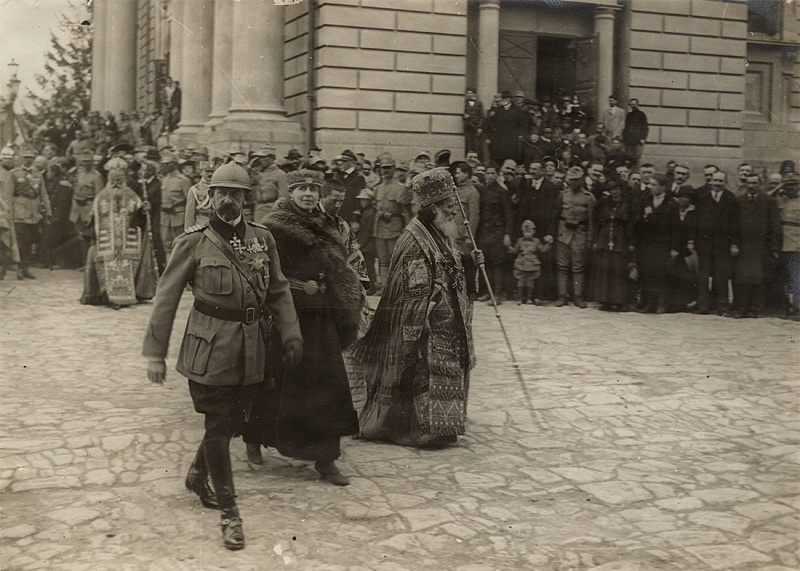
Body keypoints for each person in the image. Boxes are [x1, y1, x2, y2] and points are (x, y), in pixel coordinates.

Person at [143, 162, 302, 550]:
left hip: (252, 347)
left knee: (230, 421)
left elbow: (279, 290)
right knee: (218, 426)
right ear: (209, 197)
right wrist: (155, 353)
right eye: (221, 193)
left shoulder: (263, 239)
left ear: (247, 199)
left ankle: (198, 475)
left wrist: (292, 334)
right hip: (210, 346)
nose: (228, 200)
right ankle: (230, 514)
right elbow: (165, 298)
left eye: (236, 194)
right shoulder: (194, 241)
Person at [243, 169, 362, 486]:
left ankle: (326, 459)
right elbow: (264, 272)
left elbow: (337, 270)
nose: (308, 194)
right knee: (276, 379)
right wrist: (298, 286)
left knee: (327, 383)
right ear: (290, 192)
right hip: (288, 313)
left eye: (313, 189)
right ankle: (253, 438)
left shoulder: (326, 224)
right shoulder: (274, 226)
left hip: (320, 316)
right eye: (301, 189)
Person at [352, 168, 483, 448]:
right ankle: (423, 430)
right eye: (448, 207)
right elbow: (413, 287)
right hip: (428, 318)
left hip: (447, 318)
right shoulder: (414, 239)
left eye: (452, 206)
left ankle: (445, 426)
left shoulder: (442, 231)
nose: (453, 212)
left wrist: (471, 261)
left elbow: (452, 266)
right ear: (433, 208)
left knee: (445, 371)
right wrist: (428, 307)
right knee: (425, 374)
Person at [80, 158, 149, 308]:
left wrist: (143, 210)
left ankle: (127, 295)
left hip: (126, 240)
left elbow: (140, 216)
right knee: (106, 264)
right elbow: (94, 219)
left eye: (119, 178)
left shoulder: (132, 195)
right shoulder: (101, 197)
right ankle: (107, 295)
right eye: (114, 179)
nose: (116, 182)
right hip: (108, 241)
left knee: (126, 265)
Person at [730, 173, 782, 318]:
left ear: (760, 184)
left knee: (759, 279)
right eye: (749, 183)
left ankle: (758, 309)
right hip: (743, 245)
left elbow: (775, 226)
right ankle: (742, 309)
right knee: (742, 278)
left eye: (755, 183)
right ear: (745, 184)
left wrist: (774, 248)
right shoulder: (739, 200)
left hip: (761, 246)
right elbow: (733, 224)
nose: (752, 186)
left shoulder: (769, 201)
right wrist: (734, 244)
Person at [694, 170, 740, 315]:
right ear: (711, 181)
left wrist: (734, 243)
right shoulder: (703, 198)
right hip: (705, 243)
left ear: (725, 183)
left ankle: (722, 306)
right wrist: (696, 242)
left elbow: (735, 223)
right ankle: (704, 305)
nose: (717, 184)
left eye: (721, 181)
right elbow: (698, 222)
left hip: (723, 244)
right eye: (715, 181)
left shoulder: (731, 199)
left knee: (722, 276)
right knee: (703, 276)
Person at [592, 179, 636, 311]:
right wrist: (595, 240)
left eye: (616, 189)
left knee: (618, 268)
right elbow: (596, 222)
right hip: (605, 236)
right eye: (611, 190)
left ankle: (618, 301)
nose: (614, 192)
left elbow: (632, 224)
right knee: (605, 267)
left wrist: (631, 242)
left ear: (621, 190)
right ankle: (604, 299)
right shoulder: (603, 203)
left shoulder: (628, 204)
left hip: (622, 236)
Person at [8, 148, 51, 280]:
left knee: (32, 240)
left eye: (30, 157)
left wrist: (48, 211)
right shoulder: (14, 173)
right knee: (22, 241)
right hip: (19, 210)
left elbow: (43, 193)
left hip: (34, 211)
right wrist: (8, 212)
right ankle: (20, 268)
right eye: (26, 157)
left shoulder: (38, 174)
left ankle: (26, 267)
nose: (28, 159)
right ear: (21, 158)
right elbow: (8, 195)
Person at [555, 166, 595, 308]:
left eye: (577, 180)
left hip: (579, 234)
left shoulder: (589, 198)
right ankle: (562, 296)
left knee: (578, 267)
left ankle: (578, 296)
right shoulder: (563, 195)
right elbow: (557, 216)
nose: (574, 183)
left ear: (582, 179)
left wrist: (590, 238)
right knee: (562, 266)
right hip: (564, 233)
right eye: (572, 180)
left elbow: (591, 220)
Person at [635, 174, 676, 314]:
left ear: (663, 187)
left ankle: (661, 303)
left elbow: (677, 228)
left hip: (663, 244)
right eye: (650, 184)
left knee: (661, 273)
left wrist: (674, 248)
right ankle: (649, 303)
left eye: (654, 185)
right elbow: (639, 223)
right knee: (647, 272)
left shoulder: (672, 203)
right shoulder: (645, 200)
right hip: (647, 243)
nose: (650, 187)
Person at [776, 173, 800, 319]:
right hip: (780, 244)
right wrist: (779, 187)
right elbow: (764, 197)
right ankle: (786, 306)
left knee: (796, 277)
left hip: (796, 244)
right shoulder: (780, 200)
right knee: (783, 278)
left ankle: (798, 307)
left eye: (793, 184)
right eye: (787, 185)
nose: (790, 188)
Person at [513, 220, 551, 305]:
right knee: (521, 281)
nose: (527, 234)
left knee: (530, 282)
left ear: (534, 231)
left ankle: (529, 298)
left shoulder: (536, 241)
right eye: (525, 232)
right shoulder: (520, 241)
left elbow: (542, 249)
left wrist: (548, 244)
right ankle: (520, 298)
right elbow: (516, 250)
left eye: (529, 231)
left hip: (532, 264)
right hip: (521, 264)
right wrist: (509, 247)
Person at [184, 161, 214, 229]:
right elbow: (189, 214)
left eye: (212, 171)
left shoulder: (218, 189)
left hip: (215, 224)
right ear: (201, 172)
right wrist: (188, 230)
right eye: (207, 171)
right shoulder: (194, 189)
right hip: (200, 224)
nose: (210, 174)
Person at [622, 98, 649, 165]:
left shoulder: (641, 114)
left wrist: (643, 138)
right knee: (629, 157)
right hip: (629, 140)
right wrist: (624, 138)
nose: (633, 106)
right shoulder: (629, 115)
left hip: (638, 140)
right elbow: (626, 127)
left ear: (637, 104)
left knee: (637, 157)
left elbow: (645, 127)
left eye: (634, 104)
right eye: (631, 104)